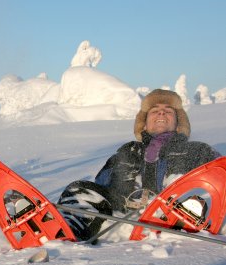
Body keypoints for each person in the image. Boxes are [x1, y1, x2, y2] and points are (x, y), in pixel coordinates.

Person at [57, 89, 221, 242]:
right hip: (121, 221)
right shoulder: (127, 151)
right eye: (154, 110)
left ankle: (180, 225)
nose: (161, 112)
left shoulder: (198, 151)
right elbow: (100, 188)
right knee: (80, 189)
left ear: (179, 124)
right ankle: (65, 234)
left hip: (173, 217)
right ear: (143, 124)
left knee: (196, 201)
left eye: (169, 111)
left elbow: (222, 178)